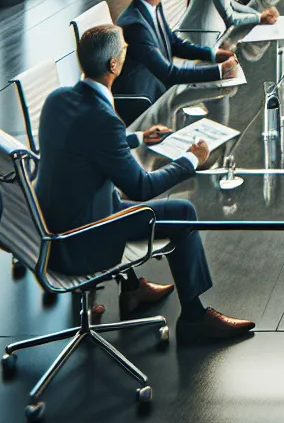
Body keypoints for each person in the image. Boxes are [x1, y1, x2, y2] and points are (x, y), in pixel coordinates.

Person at [35, 24, 254, 343]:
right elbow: (141, 186)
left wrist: (137, 137)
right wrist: (191, 159)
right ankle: (194, 320)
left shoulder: (58, 99)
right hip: (82, 239)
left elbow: (81, 143)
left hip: (53, 228)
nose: (127, 52)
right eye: (123, 49)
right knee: (182, 212)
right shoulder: (103, 118)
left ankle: (132, 288)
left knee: (114, 198)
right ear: (113, 66)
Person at [113, 0, 236, 108]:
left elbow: (174, 43)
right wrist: (219, 71)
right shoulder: (136, 26)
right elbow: (169, 74)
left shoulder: (154, 6)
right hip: (145, 102)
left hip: (162, 89)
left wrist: (212, 54)